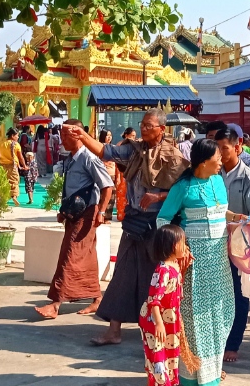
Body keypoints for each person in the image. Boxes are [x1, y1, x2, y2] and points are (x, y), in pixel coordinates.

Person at [75, 110, 190, 347]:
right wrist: (82, 136)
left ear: (161, 129)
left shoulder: (173, 156)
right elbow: (106, 151)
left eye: (149, 125)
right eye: (142, 124)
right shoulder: (134, 150)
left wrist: (158, 196)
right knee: (123, 274)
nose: (144, 129)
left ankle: (162, 330)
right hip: (134, 222)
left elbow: (185, 190)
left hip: (159, 225)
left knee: (158, 277)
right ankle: (113, 331)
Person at [157, 138, 243, 386]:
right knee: (194, 320)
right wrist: (179, 249)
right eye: (218, 158)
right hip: (194, 264)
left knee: (221, 314)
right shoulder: (183, 187)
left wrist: (235, 217)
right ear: (203, 162)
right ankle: (191, 377)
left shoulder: (218, 180)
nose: (221, 161)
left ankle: (212, 373)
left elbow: (220, 211)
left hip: (219, 263)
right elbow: (162, 220)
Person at [35, 119, 115, 320]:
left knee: (69, 255)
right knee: (85, 255)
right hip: (74, 213)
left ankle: (55, 303)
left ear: (78, 135)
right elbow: (70, 189)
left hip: (87, 214)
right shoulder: (71, 159)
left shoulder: (89, 158)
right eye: (61, 135)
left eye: (65, 136)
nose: (62, 140)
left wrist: (101, 212)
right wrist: (63, 211)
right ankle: (97, 298)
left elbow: (107, 186)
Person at [215, 128, 250, 364]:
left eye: (224, 148)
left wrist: (237, 232)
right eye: (217, 148)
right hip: (213, 244)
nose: (220, 153)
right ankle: (216, 341)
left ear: (237, 147)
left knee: (238, 295)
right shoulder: (212, 174)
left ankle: (233, 344)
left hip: (238, 247)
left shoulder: (249, 177)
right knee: (216, 295)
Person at [139, 224, 191, 386]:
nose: (186, 246)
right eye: (183, 243)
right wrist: (159, 323)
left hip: (170, 319)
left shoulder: (175, 265)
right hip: (156, 320)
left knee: (170, 355)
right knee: (158, 358)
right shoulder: (163, 271)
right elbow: (154, 299)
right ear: (173, 246)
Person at [0, 127, 26, 204]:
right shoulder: (16, 144)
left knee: (4, 181)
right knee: (14, 181)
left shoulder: (1, 144)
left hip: (2, 166)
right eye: (17, 135)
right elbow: (20, 157)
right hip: (12, 166)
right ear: (12, 136)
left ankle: (3, 198)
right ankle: (14, 196)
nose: (18, 137)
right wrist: (24, 165)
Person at [115, 127, 137, 222]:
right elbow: (116, 163)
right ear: (126, 135)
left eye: (135, 136)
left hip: (131, 173)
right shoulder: (120, 145)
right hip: (121, 173)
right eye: (132, 136)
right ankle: (121, 215)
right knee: (121, 194)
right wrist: (117, 177)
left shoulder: (135, 146)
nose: (134, 138)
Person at [99, 130, 118, 222]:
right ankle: (100, 215)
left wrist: (117, 177)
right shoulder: (99, 147)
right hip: (102, 175)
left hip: (112, 174)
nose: (109, 137)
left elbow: (117, 163)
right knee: (101, 196)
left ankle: (107, 216)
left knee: (112, 196)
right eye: (107, 135)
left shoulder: (113, 148)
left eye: (110, 135)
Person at [20, 133, 39, 205]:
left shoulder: (29, 162)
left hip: (29, 176)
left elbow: (27, 168)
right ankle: (31, 199)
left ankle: (31, 199)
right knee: (31, 188)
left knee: (29, 188)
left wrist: (22, 168)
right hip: (33, 176)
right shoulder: (34, 162)